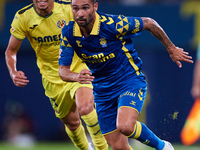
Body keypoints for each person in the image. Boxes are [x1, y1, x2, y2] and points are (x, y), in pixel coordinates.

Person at [58, 0, 193, 149]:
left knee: (126, 126)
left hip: (128, 80)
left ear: (95, 6)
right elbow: (63, 70)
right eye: (75, 8)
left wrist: (171, 48)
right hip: (102, 91)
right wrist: (76, 77)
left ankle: (163, 146)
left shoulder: (113, 24)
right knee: (118, 147)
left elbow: (149, 22)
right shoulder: (69, 32)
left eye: (85, 8)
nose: (80, 13)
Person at [5, 0, 108, 150]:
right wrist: (13, 72)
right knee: (72, 124)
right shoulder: (23, 17)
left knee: (86, 108)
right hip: (53, 78)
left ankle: (102, 147)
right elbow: (10, 51)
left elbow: (94, 24)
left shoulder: (68, 8)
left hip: (77, 68)